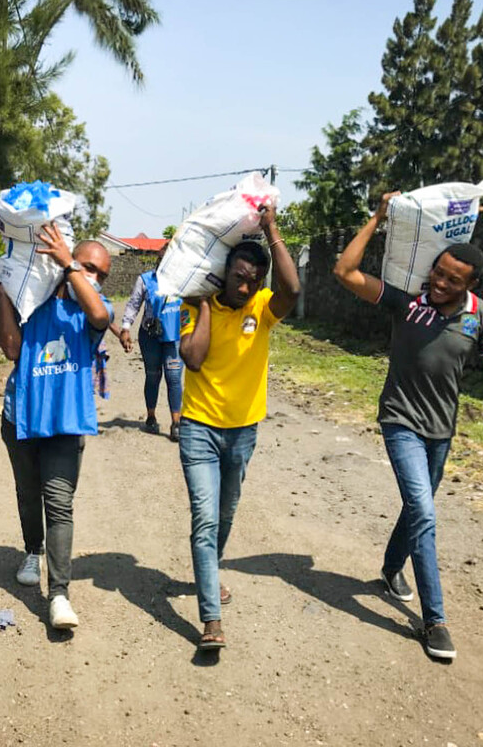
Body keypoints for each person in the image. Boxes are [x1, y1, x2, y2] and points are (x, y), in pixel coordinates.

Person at [333, 191, 483, 661]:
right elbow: (344, 272)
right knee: (423, 511)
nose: (440, 283)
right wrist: (378, 217)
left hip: (441, 430)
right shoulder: (408, 301)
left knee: (415, 508)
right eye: (438, 273)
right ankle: (435, 619)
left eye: (452, 279)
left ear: (471, 283)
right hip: (399, 419)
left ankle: (389, 567)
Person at [178, 206, 300, 651]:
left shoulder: (263, 308)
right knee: (206, 519)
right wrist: (208, 306)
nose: (245, 285)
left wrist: (271, 229)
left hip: (243, 431)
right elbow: (193, 358)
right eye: (238, 276)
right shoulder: (192, 306)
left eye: (253, 279)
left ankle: (209, 571)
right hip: (198, 429)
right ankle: (211, 619)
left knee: (225, 516)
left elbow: (294, 287)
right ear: (223, 273)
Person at [0, 226, 113, 630]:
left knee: (59, 503)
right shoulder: (35, 302)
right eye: (88, 266)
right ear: (61, 262)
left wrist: (70, 264)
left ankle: (59, 594)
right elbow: (10, 347)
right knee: (27, 493)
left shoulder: (93, 311)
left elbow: (99, 315)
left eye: (100, 273)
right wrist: (4, 291)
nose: (94, 276)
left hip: (64, 423)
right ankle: (32, 551)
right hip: (21, 415)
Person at [117, 265, 184, 441]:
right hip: (150, 336)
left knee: (174, 378)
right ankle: (151, 417)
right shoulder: (145, 280)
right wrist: (125, 327)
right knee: (153, 375)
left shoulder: (185, 278)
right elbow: (134, 303)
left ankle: (176, 423)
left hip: (175, 336)